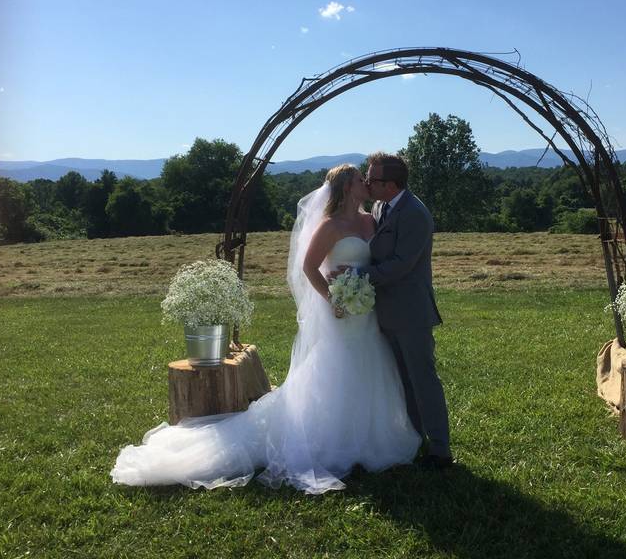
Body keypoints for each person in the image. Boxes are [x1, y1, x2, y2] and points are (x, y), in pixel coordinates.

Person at [111, 164, 421, 494]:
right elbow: (308, 267)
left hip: (366, 310)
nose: (367, 184)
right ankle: (336, 437)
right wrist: (332, 297)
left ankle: (367, 436)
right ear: (347, 188)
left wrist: (359, 283)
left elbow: (376, 260)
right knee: (338, 369)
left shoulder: (370, 219)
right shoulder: (330, 225)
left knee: (369, 367)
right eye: (361, 179)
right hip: (341, 312)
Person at [354, 152, 452, 469]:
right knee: (403, 380)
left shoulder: (415, 214)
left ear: (391, 184)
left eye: (372, 179)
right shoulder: (381, 206)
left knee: (423, 380)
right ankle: (414, 438)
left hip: (411, 312)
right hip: (385, 311)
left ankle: (440, 450)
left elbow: (401, 265)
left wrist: (354, 276)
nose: (366, 183)